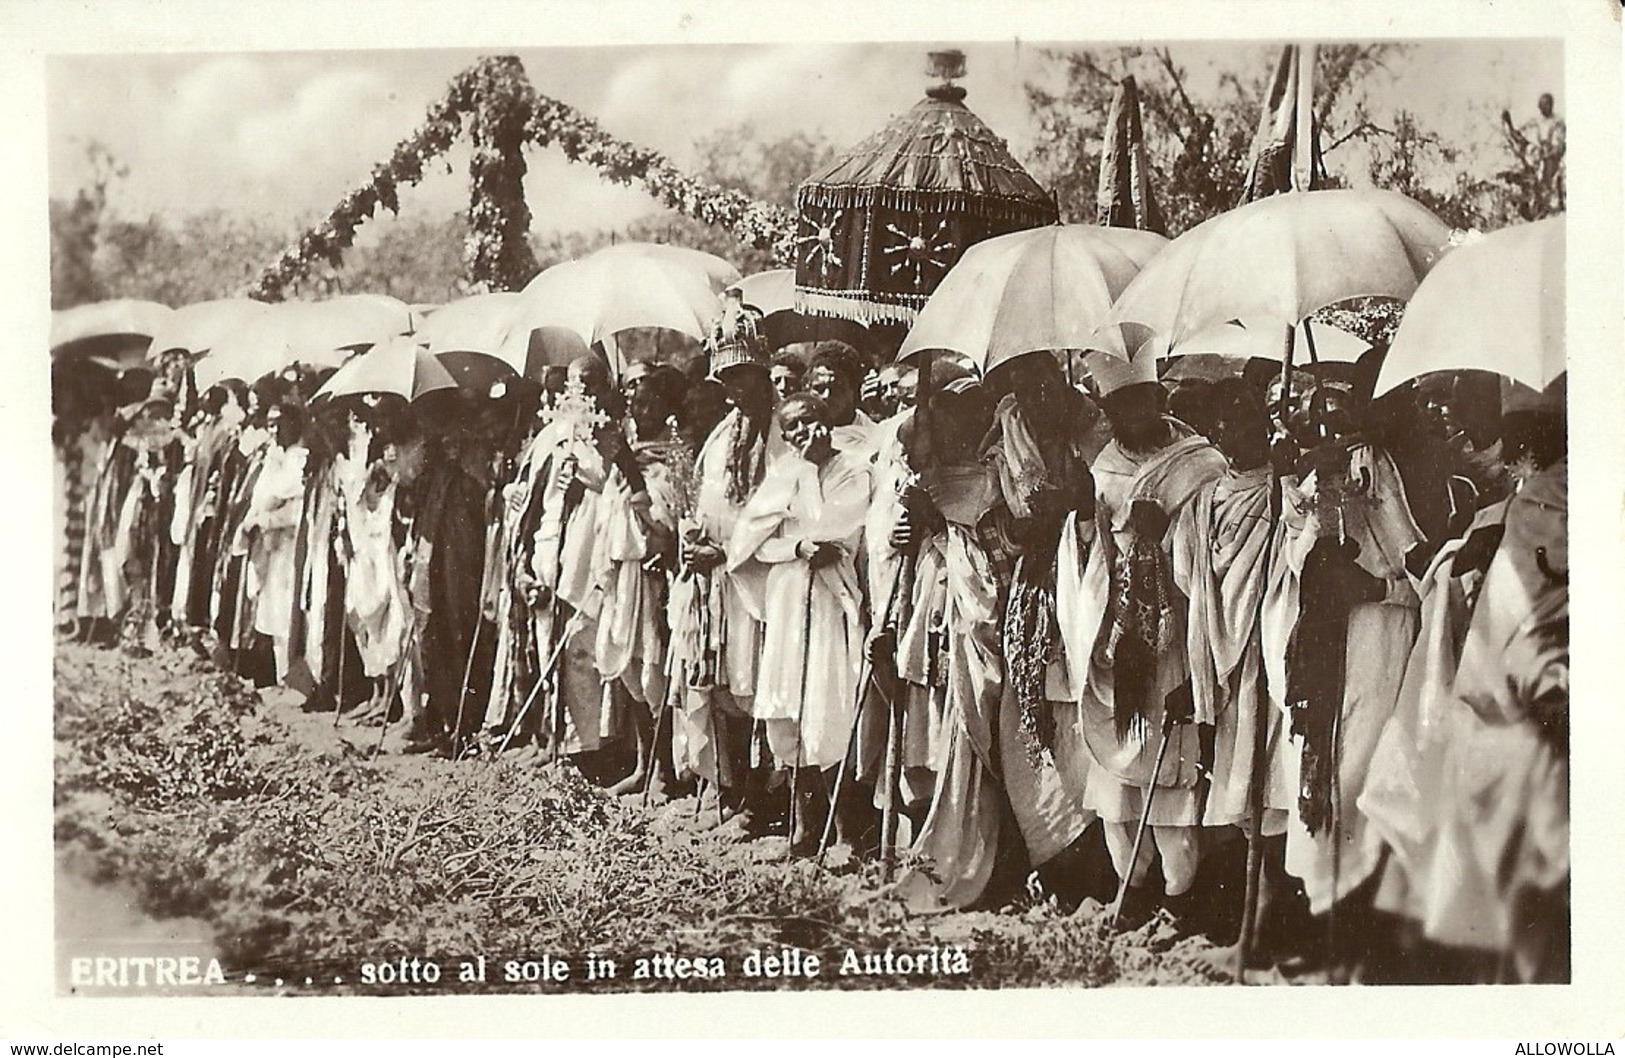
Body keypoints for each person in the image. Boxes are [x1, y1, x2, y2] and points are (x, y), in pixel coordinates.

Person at [1054, 345, 1229, 929]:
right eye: (1118, 404)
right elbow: (1089, 554)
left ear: (1160, 397)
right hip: (1114, 637)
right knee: (1115, 782)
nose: (1132, 414)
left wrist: (1164, 535)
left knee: (1170, 777)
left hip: (1176, 630)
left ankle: (1181, 900)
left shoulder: (1200, 463)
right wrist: (1084, 523)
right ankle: (1132, 890)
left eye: (1142, 399)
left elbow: (1209, 555)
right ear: (1105, 407)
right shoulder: (1102, 465)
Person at [730, 392, 873, 853]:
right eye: (791, 428)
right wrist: (793, 546)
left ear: (826, 419)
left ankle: (847, 828)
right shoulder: (784, 473)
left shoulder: (853, 468)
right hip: (791, 598)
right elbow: (753, 539)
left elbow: (838, 528)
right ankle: (806, 824)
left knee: (827, 705)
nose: (801, 434)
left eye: (809, 421)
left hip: (831, 600)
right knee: (788, 704)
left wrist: (799, 528)